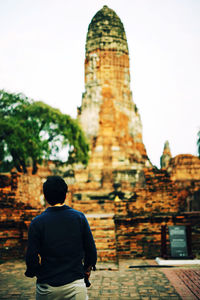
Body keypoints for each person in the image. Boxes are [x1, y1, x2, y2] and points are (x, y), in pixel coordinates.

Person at [25, 175, 97, 300]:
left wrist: (38, 273)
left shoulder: (37, 222)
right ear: (65, 195)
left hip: (47, 287)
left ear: (46, 197)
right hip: (75, 284)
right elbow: (91, 251)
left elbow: (31, 258)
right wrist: (86, 270)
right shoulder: (79, 218)